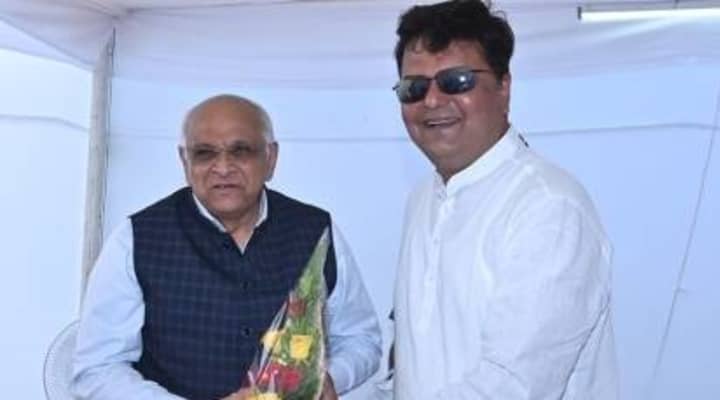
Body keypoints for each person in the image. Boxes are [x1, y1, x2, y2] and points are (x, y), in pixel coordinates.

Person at [71, 94, 382, 400]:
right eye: (204, 154)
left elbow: (360, 338)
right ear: (184, 161)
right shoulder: (136, 239)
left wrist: (325, 379)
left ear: (271, 158)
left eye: (240, 151)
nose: (222, 167)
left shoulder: (315, 231)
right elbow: (98, 368)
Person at [391, 1, 619, 399]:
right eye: (414, 87)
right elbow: (414, 370)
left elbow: (512, 386)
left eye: (456, 81)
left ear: (504, 86)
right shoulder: (423, 198)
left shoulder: (547, 208)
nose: (432, 101)